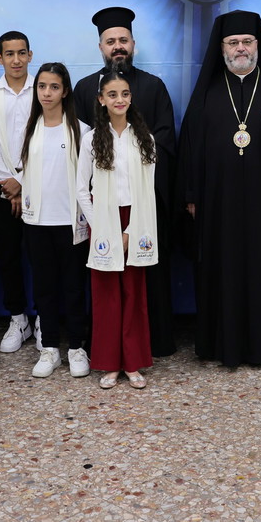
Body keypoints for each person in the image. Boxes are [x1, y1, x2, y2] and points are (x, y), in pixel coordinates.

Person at [177, 10, 261, 366]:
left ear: (257, 45)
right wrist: (191, 195)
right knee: (222, 270)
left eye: (247, 42)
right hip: (217, 203)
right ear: (221, 48)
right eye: (233, 42)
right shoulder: (207, 91)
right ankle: (223, 345)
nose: (240, 49)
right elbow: (189, 146)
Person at [73, 7, 178, 356]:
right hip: (101, 208)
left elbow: (165, 141)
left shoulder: (154, 86)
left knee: (142, 282)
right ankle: (106, 350)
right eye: (110, 41)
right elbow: (80, 150)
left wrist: (143, 194)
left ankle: (148, 346)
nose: (117, 46)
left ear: (133, 44)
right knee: (104, 283)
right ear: (100, 47)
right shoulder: (85, 88)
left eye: (123, 40)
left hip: (145, 203)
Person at [76, 71, 158, 389]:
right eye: (112, 94)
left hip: (136, 219)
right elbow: (82, 190)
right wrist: (103, 228)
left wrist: (130, 231)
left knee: (133, 294)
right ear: (101, 100)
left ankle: (133, 363)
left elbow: (147, 191)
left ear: (131, 98)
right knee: (106, 295)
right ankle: (110, 364)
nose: (119, 100)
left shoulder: (144, 139)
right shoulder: (91, 140)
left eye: (125, 94)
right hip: (103, 221)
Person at [18, 62, 92, 379]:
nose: (47, 93)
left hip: (71, 223)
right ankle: (49, 348)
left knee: (74, 288)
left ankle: (76, 347)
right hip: (37, 223)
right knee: (44, 289)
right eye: (42, 86)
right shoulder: (29, 129)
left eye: (54, 87)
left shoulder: (81, 131)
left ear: (65, 91)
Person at [0, 31, 37, 353]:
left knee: (42, 256)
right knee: (7, 255)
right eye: (9, 54)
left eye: (21, 53)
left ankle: (44, 318)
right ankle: (18, 318)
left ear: (30, 55)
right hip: (2, 192)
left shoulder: (42, 91)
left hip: (40, 187)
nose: (16, 60)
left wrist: (24, 181)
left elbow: (46, 140)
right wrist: (9, 184)